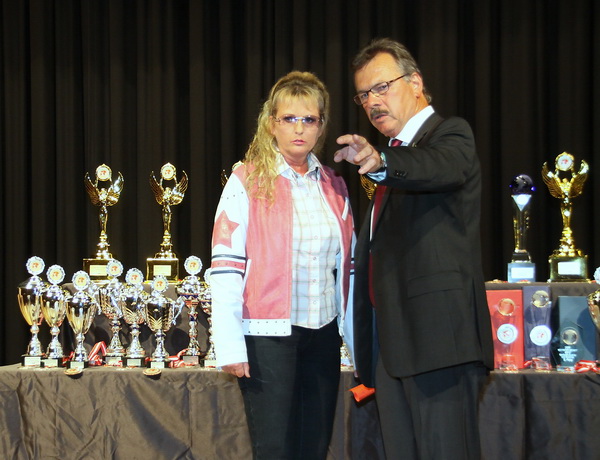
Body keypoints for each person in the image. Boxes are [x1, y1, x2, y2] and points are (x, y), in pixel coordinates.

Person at [334, 38, 494, 460]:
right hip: (392, 349)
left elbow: (440, 166)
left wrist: (383, 163)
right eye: (364, 95)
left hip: (440, 343)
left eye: (381, 87)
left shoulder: (448, 135)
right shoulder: (393, 159)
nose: (372, 102)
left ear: (416, 83)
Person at [210, 71, 355, 460]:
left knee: (315, 445)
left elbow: (349, 270)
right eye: (289, 118)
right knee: (275, 448)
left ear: (321, 126)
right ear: (272, 123)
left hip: (323, 335)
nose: (299, 128)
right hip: (267, 338)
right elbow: (225, 266)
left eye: (309, 119)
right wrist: (229, 343)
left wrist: (356, 340)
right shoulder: (246, 180)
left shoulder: (334, 185)